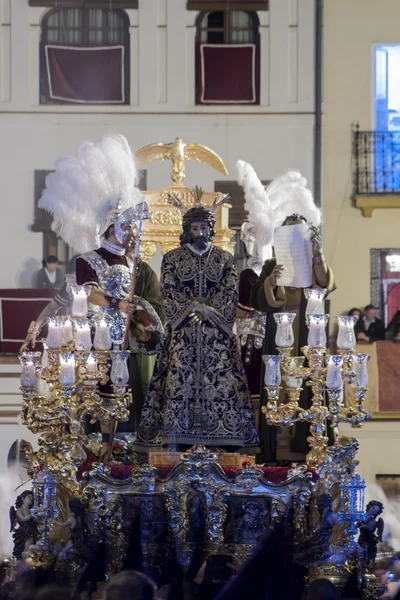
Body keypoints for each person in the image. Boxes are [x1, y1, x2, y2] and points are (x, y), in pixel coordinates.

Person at [38, 134, 164, 462]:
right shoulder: (89, 258)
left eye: (134, 228)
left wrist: (143, 319)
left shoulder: (136, 264)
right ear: (112, 228)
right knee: (103, 398)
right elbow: (88, 292)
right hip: (100, 339)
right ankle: (100, 454)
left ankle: (132, 454)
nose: (133, 233)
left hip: (132, 339)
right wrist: (114, 304)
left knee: (136, 394)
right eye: (126, 227)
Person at [134, 188, 259, 453]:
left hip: (216, 334)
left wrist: (208, 310)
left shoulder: (224, 259)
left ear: (211, 228)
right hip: (183, 333)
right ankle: (176, 437)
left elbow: (229, 290)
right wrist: (193, 307)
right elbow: (168, 289)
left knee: (223, 385)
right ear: (187, 229)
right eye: (195, 227)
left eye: (204, 227)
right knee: (178, 381)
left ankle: (226, 440)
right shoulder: (172, 258)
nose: (200, 232)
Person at [236, 163, 335, 463]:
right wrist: (272, 281)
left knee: (308, 391)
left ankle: (307, 450)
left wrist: (317, 254)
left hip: (305, 342)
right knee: (277, 392)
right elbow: (259, 301)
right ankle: (275, 454)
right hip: (278, 343)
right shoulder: (270, 266)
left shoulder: (315, 260)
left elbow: (325, 284)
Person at [236, 223, 266, 398]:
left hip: (251, 335)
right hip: (265, 333)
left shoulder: (248, 274)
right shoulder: (267, 273)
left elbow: (244, 310)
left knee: (251, 383)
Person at [9, 490, 38, 560]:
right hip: (23, 531)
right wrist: (32, 515)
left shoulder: (32, 509)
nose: (31, 498)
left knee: (31, 544)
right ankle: (27, 560)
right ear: (23, 498)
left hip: (32, 530)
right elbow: (23, 519)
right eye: (29, 497)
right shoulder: (19, 510)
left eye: (32, 497)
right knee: (26, 545)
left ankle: (31, 560)